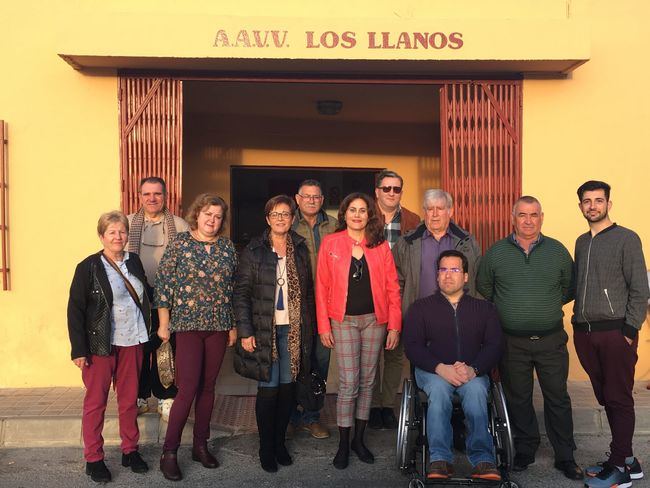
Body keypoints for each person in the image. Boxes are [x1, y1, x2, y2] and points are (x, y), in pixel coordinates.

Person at [476, 196, 582, 480]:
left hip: (550, 340)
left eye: (533, 215)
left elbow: (569, 288)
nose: (528, 220)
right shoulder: (496, 253)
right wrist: (514, 309)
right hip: (512, 342)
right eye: (522, 215)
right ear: (513, 217)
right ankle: (524, 449)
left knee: (557, 397)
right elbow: (485, 287)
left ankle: (565, 455)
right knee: (518, 397)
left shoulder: (557, 251)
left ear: (542, 217)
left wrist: (541, 307)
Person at [316, 192, 402, 469]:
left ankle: (359, 440)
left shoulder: (379, 245)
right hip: (343, 321)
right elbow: (322, 288)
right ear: (344, 214)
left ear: (369, 215)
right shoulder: (331, 242)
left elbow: (392, 288)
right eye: (352, 210)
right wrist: (323, 325)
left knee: (367, 382)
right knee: (349, 383)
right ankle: (343, 443)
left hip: (375, 321)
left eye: (362, 210)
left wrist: (394, 325)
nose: (357, 215)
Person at [572, 180, 649, 488]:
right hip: (585, 332)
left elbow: (639, 288)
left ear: (608, 204)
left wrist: (629, 331)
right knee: (607, 396)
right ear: (580, 207)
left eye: (598, 200)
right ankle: (629, 460)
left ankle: (619, 469)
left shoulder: (626, 238)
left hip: (615, 331)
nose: (593, 206)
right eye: (587, 201)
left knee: (618, 398)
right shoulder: (581, 241)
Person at [156, 193, 237, 481]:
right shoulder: (180, 244)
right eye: (208, 214)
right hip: (187, 326)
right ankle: (169, 452)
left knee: (208, 387)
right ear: (197, 214)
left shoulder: (227, 248)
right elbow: (164, 285)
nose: (212, 220)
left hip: (218, 325)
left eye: (217, 216)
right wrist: (164, 323)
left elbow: (232, 289)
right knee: (187, 388)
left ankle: (200, 445)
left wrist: (233, 325)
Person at [233, 195, 315, 472]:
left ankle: (280, 443)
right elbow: (241, 293)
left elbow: (309, 293)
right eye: (275, 214)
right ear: (267, 219)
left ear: (292, 218)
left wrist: (310, 329)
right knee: (268, 391)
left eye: (286, 214)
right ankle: (265, 447)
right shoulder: (254, 250)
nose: (281, 218)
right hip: (264, 330)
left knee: (287, 390)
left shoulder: (300, 248)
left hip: (292, 330)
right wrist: (245, 330)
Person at [404, 250, 502, 480]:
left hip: (472, 372)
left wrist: (474, 369)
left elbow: (494, 346)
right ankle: (440, 460)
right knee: (438, 391)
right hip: (432, 372)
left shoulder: (484, 309)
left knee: (477, 390)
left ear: (466, 276)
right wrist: (440, 368)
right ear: (437, 276)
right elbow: (413, 346)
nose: (448, 275)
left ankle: (483, 460)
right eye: (443, 270)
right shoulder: (420, 308)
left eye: (455, 270)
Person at [67, 211, 151, 483]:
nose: (118, 236)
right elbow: (76, 309)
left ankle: (130, 450)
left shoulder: (134, 261)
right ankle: (94, 458)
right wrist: (78, 349)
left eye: (122, 231)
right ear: (102, 236)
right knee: (96, 403)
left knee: (129, 402)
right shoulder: (88, 266)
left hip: (132, 341)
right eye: (112, 232)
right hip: (99, 345)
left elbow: (146, 294)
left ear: (128, 235)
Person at [127, 177, 189, 421]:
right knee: (138, 348)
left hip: (170, 297)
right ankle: (140, 396)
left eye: (157, 194)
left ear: (166, 196)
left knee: (167, 348)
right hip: (136, 297)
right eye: (147, 194)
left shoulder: (180, 225)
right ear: (140, 196)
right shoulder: (129, 223)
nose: (152, 199)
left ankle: (166, 397)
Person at [369, 170, 420, 430]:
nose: (391, 193)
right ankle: (370, 404)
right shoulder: (364, 215)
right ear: (377, 191)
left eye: (396, 189)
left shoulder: (413, 219)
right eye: (386, 188)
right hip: (368, 295)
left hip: (399, 294)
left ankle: (386, 406)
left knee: (394, 353)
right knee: (370, 353)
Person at [289, 179, 337, 439]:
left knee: (320, 361)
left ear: (322, 200)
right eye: (306, 196)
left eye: (316, 197)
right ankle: (291, 415)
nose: (311, 200)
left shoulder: (334, 225)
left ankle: (312, 416)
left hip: (327, 303)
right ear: (297, 198)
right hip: (297, 303)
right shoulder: (288, 222)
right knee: (294, 360)